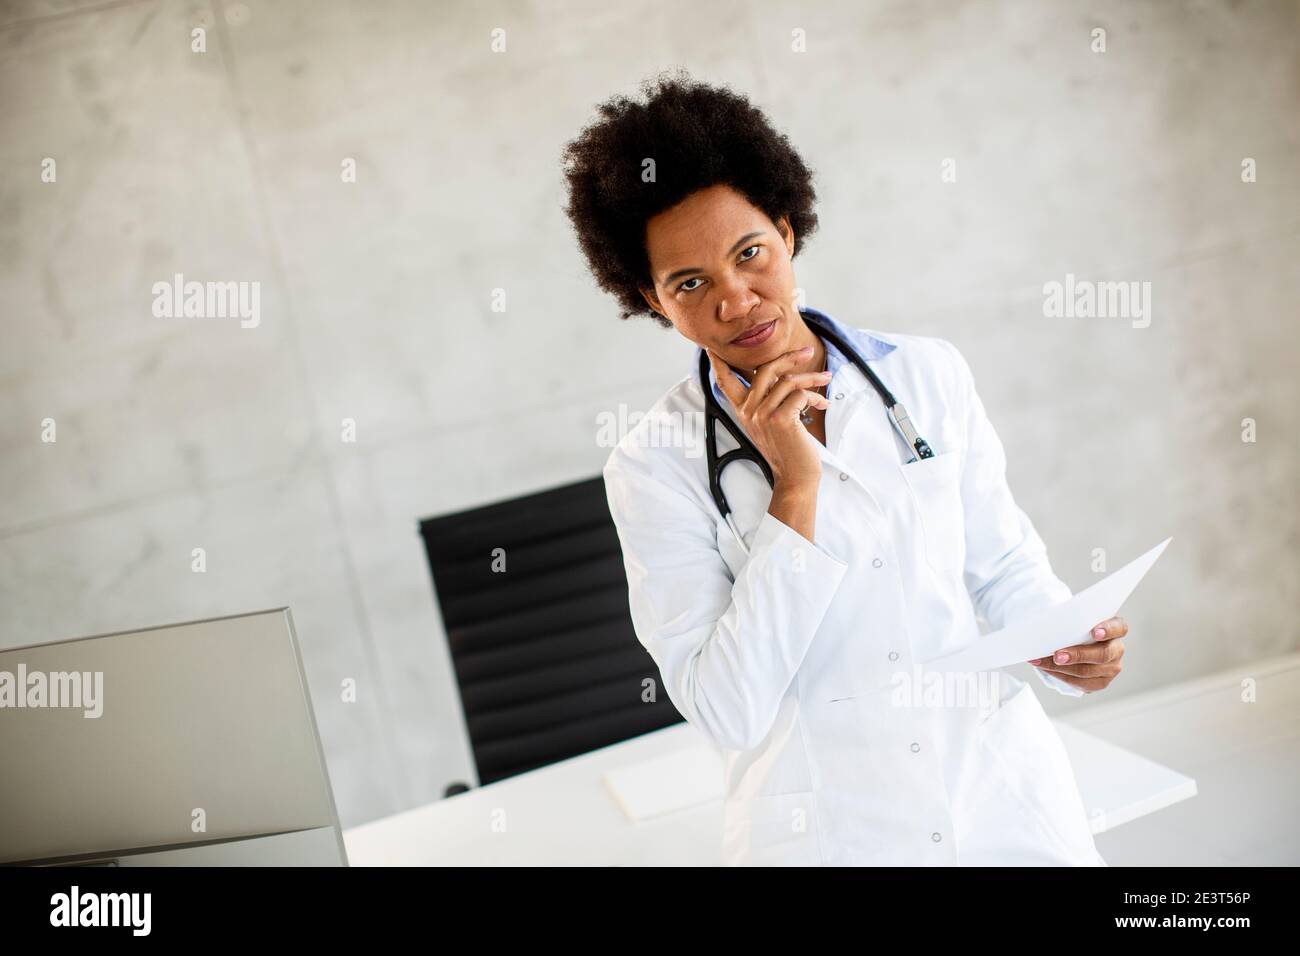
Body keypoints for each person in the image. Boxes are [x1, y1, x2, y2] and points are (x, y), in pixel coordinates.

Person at [560, 70, 1127, 866]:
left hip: (1000, 797)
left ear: (788, 232)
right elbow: (727, 708)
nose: (736, 299)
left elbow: (1001, 568)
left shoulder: (927, 374)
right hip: (830, 829)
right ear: (653, 301)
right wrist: (796, 487)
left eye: (749, 253)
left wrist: (1070, 646)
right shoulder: (654, 465)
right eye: (690, 283)